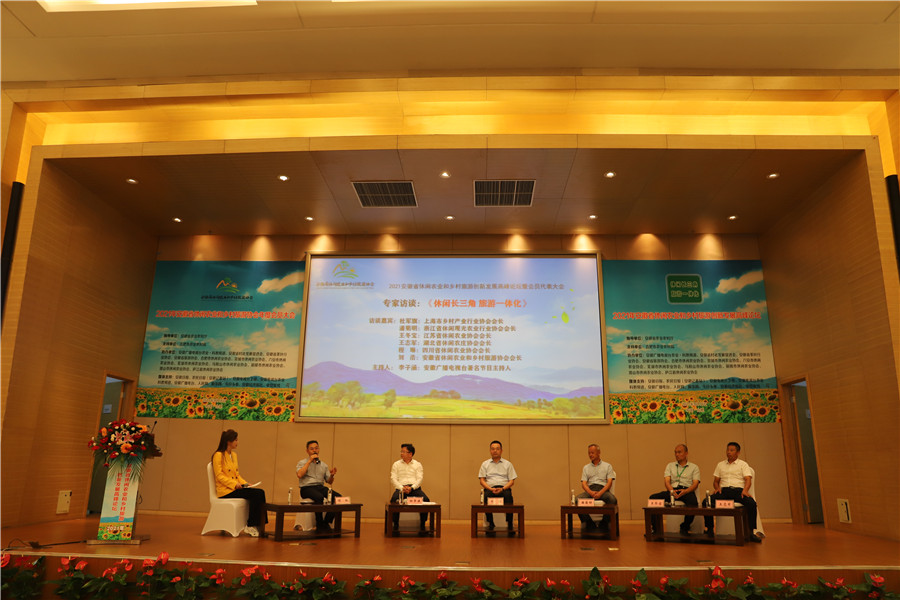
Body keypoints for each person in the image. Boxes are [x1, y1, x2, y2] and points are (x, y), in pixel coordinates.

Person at [210, 429, 267, 537]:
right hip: (226, 491)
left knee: (260, 492)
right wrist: (234, 484)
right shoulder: (218, 455)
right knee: (256, 494)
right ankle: (250, 525)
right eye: (236, 440)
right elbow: (219, 476)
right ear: (229, 441)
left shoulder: (234, 455)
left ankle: (260, 524)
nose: (237, 442)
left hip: (234, 488)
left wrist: (246, 484)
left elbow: (237, 474)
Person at [703, 441, 762, 543]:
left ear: (738, 452)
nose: (728, 452)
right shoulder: (720, 464)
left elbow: (748, 480)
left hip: (738, 491)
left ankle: (750, 532)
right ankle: (710, 529)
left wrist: (745, 490)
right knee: (706, 502)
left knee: (752, 504)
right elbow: (716, 481)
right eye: (727, 450)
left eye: (731, 450)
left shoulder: (743, 464)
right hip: (724, 491)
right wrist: (717, 488)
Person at [648, 443, 700, 535]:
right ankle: (655, 529)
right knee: (653, 498)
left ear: (686, 453)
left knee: (693, 504)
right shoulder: (670, 465)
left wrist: (685, 491)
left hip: (686, 491)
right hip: (673, 490)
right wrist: (672, 491)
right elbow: (667, 481)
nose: (677, 454)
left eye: (679, 452)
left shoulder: (694, 467)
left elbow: (695, 484)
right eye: (675, 452)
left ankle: (684, 527)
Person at [296, 440, 342, 532]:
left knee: (339, 498)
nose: (314, 450)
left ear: (319, 449)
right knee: (319, 497)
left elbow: (329, 481)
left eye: (316, 448)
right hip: (306, 488)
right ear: (307, 451)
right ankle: (319, 523)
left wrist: (332, 475)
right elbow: (299, 475)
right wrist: (309, 461)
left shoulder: (323, 465)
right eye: (312, 449)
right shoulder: (302, 462)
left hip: (320, 487)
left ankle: (326, 522)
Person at [389, 443, 430, 531]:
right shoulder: (396, 464)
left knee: (426, 500)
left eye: (403, 451)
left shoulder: (417, 464)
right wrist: (401, 488)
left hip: (414, 488)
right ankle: (395, 524)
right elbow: (393, 478)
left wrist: (412, 488)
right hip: (401, 488)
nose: (401, 453)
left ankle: (423, 523)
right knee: (394, 500)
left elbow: (420, 479)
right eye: (401, 451)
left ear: (410, 454)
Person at [577, 444, 617, 532]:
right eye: (589, 453)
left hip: (603, 489)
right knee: (577, 500)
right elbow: (584, 483)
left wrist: (600, 493)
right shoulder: (586, 468)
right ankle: (589, 522)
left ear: (599, 453)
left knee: (613, 500)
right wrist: (590, 492)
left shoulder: (607, 466)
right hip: (590, 489)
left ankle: (604, 522)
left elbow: (609, 483)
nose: (590, 455)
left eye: (592, 453)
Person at [478, 440, 517, 531]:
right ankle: (491, 523)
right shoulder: (485, 464)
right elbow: (482, 480)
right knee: (486, 496)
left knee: (508, 497)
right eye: (493, 449)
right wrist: (490, 489)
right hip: (490, 488)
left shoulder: (508, 464)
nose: (495, 451)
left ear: (501, 451)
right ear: (490, 451)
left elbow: (512, 481)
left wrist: (502, 489)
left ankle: (510, 523)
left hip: (504, 488)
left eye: (497, 449)